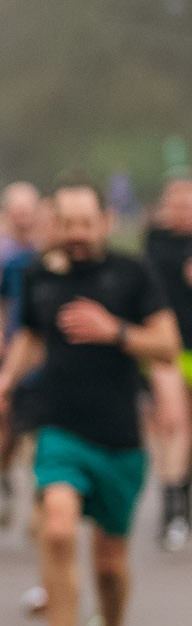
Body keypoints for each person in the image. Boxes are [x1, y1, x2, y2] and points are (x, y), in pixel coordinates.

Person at [0, 180, 181, 626]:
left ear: (105, 223)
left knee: (111, 566)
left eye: (84, 223)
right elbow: (31, 338)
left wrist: (114, 330)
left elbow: (166, 343)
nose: (74, 234)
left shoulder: (131, 275)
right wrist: (3, 381)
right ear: (54, 224)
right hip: (60, 429)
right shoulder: (40, 276)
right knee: (57, 526)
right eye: (65, 223)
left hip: (119, 438)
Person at [0, 183, 44, 529]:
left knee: (40, 432)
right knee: (10, 433)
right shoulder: (0, 253)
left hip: (42, 356)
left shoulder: (49, 251)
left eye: (28, 210)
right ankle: (4, 479)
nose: (23, 218)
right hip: (8, 352)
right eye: (17, 211)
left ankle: (39, 506)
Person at [140, 176, 192, 549]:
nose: (183, 211)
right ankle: (172, 508)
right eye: (176, 204)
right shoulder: (156, 240)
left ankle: (182, 496)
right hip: (168, 347)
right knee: (173, 422)